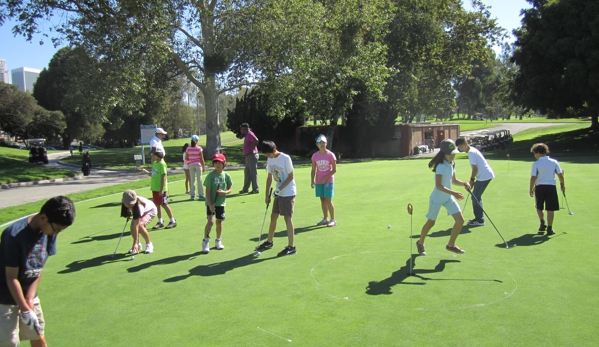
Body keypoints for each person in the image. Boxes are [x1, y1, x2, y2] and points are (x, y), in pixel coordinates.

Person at [0, 196, 76, 347]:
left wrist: (29, 298)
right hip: (5, 297)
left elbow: (39, 267)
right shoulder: (13, 235)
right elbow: (11, 278)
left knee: (37, 332)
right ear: (43, 218)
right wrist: (25, 309)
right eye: (56, 229)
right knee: (9, 341)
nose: (56, 234)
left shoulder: (49, 233)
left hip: (30, 294)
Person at [416, 139, 470, 255]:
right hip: (437, 198)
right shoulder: (440, 166)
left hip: (448, 197)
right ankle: (420, 243)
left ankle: (451, 245)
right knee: (431, 223)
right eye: (450, 153)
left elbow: (454, 180)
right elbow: (439, 186)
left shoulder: (452, 163)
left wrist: (464, 183)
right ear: (443, 153)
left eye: (453, 153)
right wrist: (454, 193)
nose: (452, 155)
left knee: (460, 220)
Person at [255, 141, 297, 257]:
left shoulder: (285, 158)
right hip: (278, 192)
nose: (268, 158)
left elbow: (291, 176)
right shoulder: (270, 159)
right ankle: (269, 241)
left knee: (287, 217)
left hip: (288, 192)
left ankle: (292, 246)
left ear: (274, 151)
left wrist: (280, 188)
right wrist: (266, 195)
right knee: (274, 215)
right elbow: (269, 177)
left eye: (269, 155)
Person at [455, 137, 495, 226]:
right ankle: (479, 218)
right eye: (459, 148)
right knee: (476, 197)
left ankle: (480, 220)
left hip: (484, 176)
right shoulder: (472, 150)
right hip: (484, 175)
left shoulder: (471, 152)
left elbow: (474, 169)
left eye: (461, 147)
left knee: (475, 197)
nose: (461, 149)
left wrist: (471, 181)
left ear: (466, 144)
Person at [529, 143, 565, 236]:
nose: (534, 156)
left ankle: (542, 222)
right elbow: (560, 175)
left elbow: (533, 177)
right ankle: (549, 228)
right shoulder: (554, 162)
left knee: (538, 206)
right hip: (551, 187)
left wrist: (531, 188)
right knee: (550, 208)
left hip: (540, 187)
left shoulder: (536, 164)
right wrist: (562, 185)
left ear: (538, 152)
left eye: (534, 153)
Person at [201, 153, 233, 253]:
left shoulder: (226, 176)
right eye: (215, 162)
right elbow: (207, 191)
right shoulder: (210, 176)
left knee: (219, 222)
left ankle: (218, 240)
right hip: (210, 203)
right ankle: (205, 240)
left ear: (224, 164)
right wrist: (210, 204)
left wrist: (225, 192)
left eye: (220, 162)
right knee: (210, 221)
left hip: (221, 203)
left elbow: (230, 188)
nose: (217, 165)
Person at [140, 151, 177, 229]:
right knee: (157, 205)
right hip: (155, 188)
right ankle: (160, 221)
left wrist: (162, 189)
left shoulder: (162, 164)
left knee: (164, 204)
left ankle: (172, 221)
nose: (152, 157)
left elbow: (163, 176)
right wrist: (145, 171)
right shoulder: (155, 163)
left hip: (161, 189)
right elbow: (153, 174)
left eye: (153, 155)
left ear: (158, 156)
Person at [311, 134, 337, 227]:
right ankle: (325, 218)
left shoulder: (330, 155)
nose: (321, 144)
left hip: (328, 180)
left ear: (326, 143)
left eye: (323, 142)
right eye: (319, 143)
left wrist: (325, 178)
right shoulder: (315, 156)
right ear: (317, 144)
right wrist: (312, 181)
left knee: (328, 199)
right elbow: (313, 169)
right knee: (322, 199)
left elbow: (334, 169)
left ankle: (333, 219)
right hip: (318, 181)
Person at [120, 190, 156, 254]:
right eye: (127, 204)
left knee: (140, 225)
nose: (129, 205)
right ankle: (138, 246)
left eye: (131, 203)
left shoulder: (139, 206)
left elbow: (136, 225)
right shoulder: (125, 203)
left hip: (150, 211)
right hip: (142, 212)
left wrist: (134, 243)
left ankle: (149, 245)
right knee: (132, 226)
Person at [239, 123, 260, 194]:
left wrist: (252, 149)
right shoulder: (247, 135)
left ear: (245, 129)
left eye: (242, 129)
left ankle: (255, 189)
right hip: (248, 156)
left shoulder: (250, 134)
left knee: (253, 173)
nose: (241, 130)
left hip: (252, 155)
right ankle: (245, 189)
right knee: (247, 172)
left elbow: (256, 140)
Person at [185, 135, 206, 201]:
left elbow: (186, 158)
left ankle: (192, 195)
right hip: (198, 165)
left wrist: (189, 162)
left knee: (192, 180)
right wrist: (203, 166)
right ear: (196, 141)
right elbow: (201, 158)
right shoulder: (199, 148)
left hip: (191, 165)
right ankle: (201, 195)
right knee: (199, 180)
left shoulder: (188, 149)